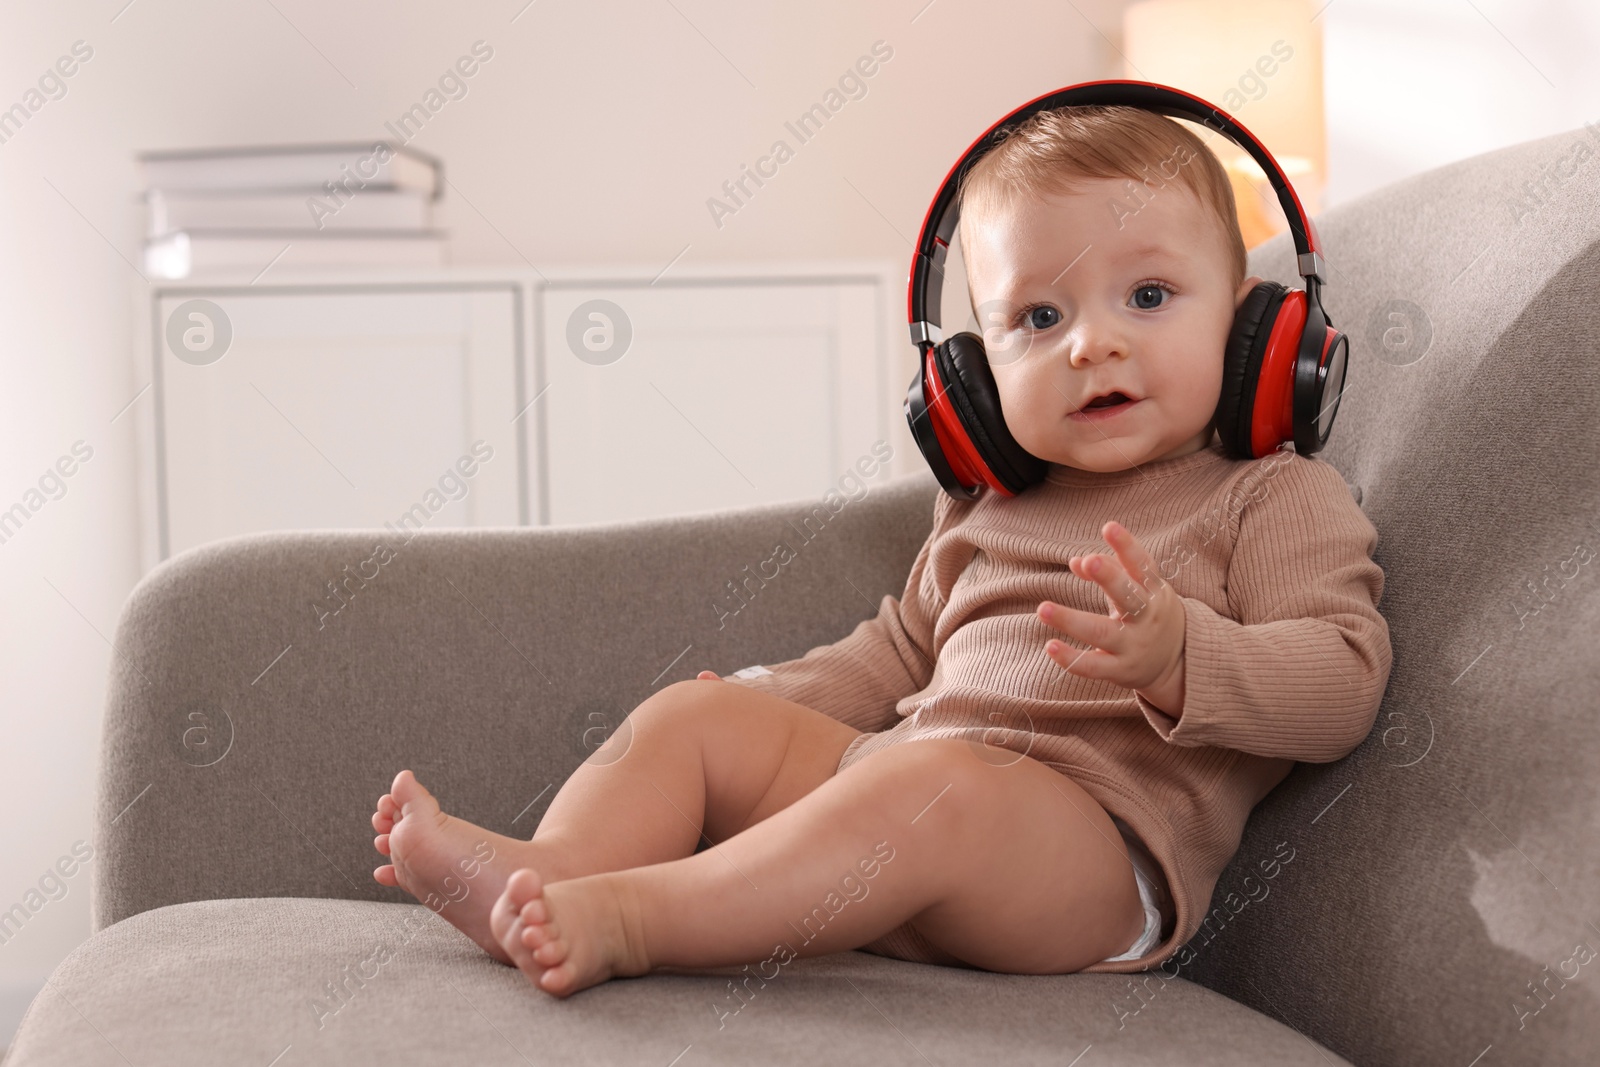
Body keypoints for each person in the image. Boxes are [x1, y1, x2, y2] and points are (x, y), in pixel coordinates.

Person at [369, 104, 1392, 998]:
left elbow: (1345, 678)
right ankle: (551, 875)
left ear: (1257, 329)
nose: (1092, 343)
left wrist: (1183, 658)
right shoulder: (992, 500)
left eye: (1150, 296)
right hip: (902, 797)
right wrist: (773, 697)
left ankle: (633, 919)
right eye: (1039, 316)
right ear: (972, 380)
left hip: (1086, 859)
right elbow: (902, 652)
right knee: (698, 718)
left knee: (931, 786)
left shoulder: (1269, 496)